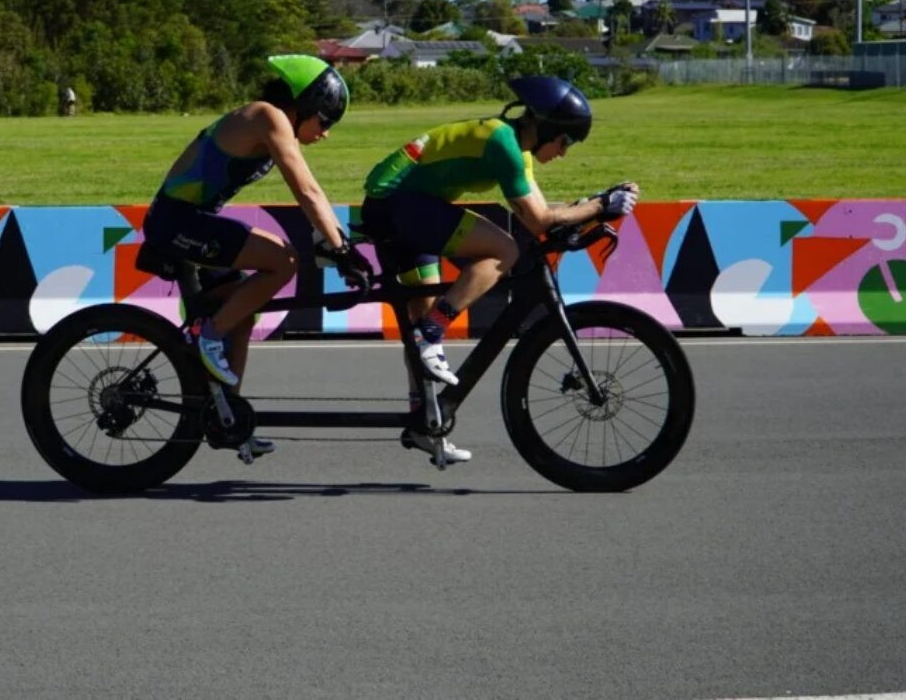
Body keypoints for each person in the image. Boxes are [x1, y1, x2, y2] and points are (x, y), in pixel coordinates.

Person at [359, 76, 638, 465]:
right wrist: (601, 205)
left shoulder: (515, 148)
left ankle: (423, 421)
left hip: (403, 204)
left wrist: (592, 204)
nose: (564, 153)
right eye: (566, 142)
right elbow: (539, 221)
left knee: (420, 315)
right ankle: (432, 333)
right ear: (547, 128)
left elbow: (541, 213)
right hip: (398, 205)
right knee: (503, 250)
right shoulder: (502, 143)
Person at [142, 54, 371, 457]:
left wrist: (338, 246)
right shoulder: (268, 116)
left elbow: (311, 193)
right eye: (325, 122)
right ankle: (208, 336)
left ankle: (227, 419)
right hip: (177, 221)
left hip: (190, 219)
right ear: (304, 105)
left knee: (243, 314)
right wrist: (341, 248)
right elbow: (306, 190)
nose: (326, 134)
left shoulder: (272, 121)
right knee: (283, 261)